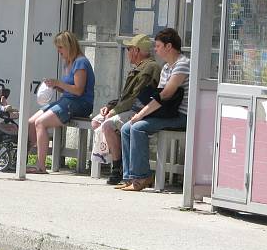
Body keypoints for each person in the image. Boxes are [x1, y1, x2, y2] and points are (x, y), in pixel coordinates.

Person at [118, 27, 189, 191]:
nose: (155, 49)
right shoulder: (166, 67)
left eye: (157, 46)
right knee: (126, 128)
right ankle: (130, 177)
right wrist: (140, 114)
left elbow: (165, 94)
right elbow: (158, 96)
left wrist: (140, 114)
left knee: (137, 127)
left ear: (168, 46)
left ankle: (142, 177)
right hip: (166, 112)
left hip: (180, 115)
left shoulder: (183, 64)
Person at [91, 34, 160, 185]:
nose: (127, 52)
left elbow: (137, 96)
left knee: (108, 125)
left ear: (136, 50)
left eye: (129, 49)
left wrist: (114, 111)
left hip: (141, 110)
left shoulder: (150, 67)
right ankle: (116, 162)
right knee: (96, 122)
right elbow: (126, 96)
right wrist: (110, 106)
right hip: (130, 108)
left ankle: (117, 167)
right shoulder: (141, 66)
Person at [27, 31, 95, 174]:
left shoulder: (81, 62)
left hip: (80, 104)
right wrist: (57, 86)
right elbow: (69, 90)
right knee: (31, 121)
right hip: (68, 100)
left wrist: (59, 83)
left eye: (60, 47)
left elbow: (78, 90)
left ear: (69, 46)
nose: (58, 51)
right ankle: (24, 157)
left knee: (40, 123)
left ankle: (41, 165)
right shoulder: (68, 63)